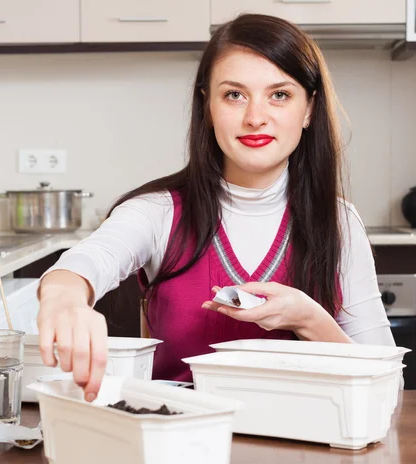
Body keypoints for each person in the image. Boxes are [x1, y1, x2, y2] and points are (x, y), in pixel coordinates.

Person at [36, 13, 395, 402]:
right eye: (234, 95)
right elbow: (88, 261)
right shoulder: (157, 212)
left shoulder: (339, 223)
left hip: (309, 452)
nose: (255, 117)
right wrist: (65, 300)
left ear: (308, 109)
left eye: (280, 95)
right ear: (208, 107)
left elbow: (389, 385)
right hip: (181, 443)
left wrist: (308, 319)